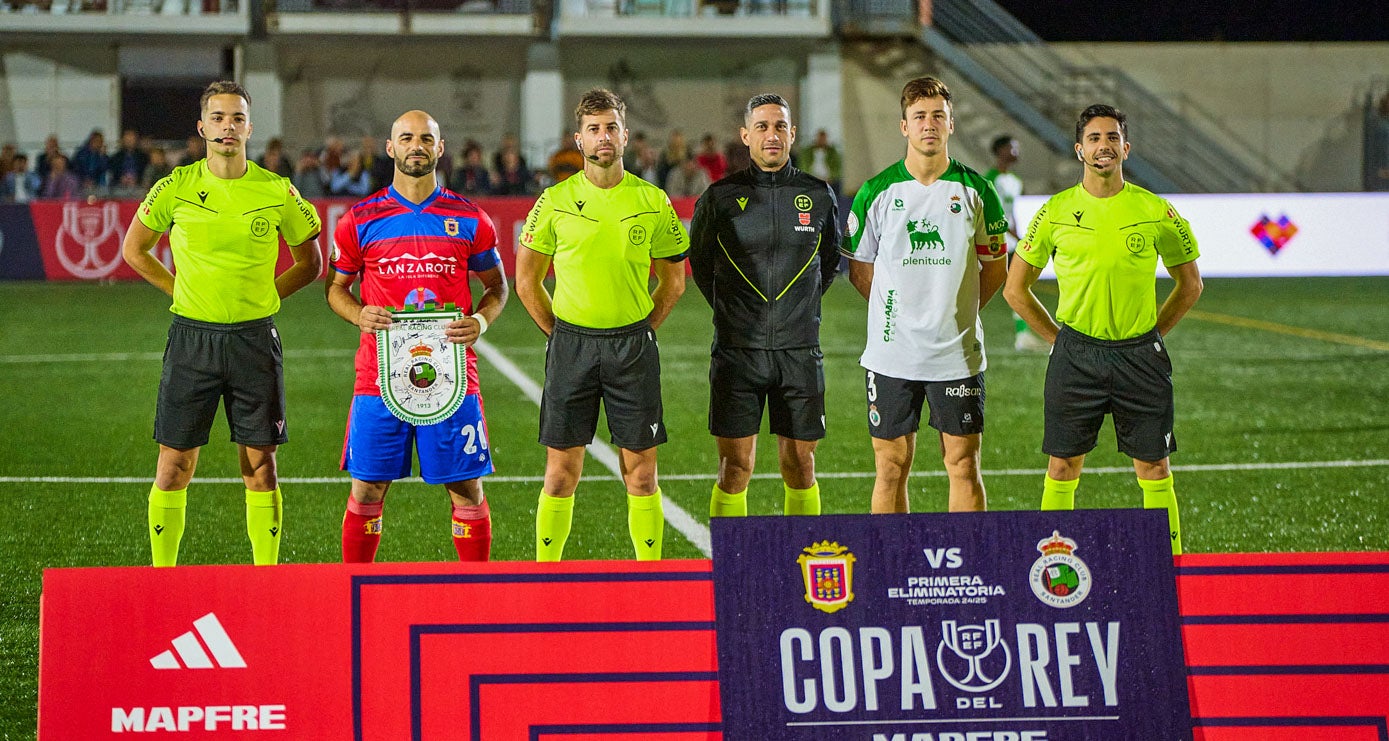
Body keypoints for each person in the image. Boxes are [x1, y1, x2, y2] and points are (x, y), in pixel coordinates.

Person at [120, 80, 323, 567]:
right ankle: (162, 577)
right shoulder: (175, 186)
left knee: (260, 467)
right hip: (192, 340)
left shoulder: (276, 191)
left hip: (254, 341)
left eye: (236, 118)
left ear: (249, 127)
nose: (227, 127)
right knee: (173, 466)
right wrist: (180, 291)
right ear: (202, 126)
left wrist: (268, 295)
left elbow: (311, 262)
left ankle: (266, 578)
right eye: (218, 118)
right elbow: (135, 251)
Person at [1003, 103, 1202, 556]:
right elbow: (1016, 290)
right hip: (1077, 355)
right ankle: (1049, 567)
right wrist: (1059, 340)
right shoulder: (1055, 212)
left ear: (1126, 148)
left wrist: (1154, 333)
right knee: (1062, 466)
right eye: (1094, 138)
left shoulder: (1155, 210)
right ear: (1079, 150)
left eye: (1112, 137)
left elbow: (1190, 284)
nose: (1103, 146)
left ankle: (1167, 565)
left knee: (1154, 467)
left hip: (1140, 356)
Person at [327, 109, 508, 563]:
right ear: (390, 149)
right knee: (368, 488)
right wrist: (358, 314)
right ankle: (358, 592)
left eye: (426, 138)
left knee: (466, 487)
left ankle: (474, 598)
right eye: (406, 138)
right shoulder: (361, 219)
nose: (416, 146)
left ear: (439, 148)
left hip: (453, 378)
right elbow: (335, 288)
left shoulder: (469, 218)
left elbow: (497, 287)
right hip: (378, 376)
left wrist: (481, 322)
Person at [515, 88, 688, 561]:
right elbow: (526, 279)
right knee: (560, 474)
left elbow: (674, 281)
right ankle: (546, 575)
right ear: (579, 138)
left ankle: (648, 575)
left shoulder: (652, 201)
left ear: (625, 135)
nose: (603, 137)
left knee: (642, 473)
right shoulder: (554, 201)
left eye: (611, 127)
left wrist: (644, 327)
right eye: (594, 129)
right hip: (573, 346)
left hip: (632, 346)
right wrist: (559, 333)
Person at [843, 76, 1009, 514]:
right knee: (891, 465)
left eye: (938, 116)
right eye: (919, 117)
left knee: (962, 462)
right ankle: (892, 568)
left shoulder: (978, 191)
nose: (929, 125)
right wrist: (893, 314)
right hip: (891, 354)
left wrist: (959, 313)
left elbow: (995, 268)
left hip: (956, 354)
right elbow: (860, 270)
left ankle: (968, 568)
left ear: (951, 123)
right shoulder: (876, 192)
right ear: (904, 126)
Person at [689, 93, 841, 518]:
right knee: (735, 468)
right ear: (745, 136)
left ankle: (806, 565)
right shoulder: (720, 197)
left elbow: (827, 264)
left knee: (801, 466)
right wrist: (735, 312)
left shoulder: (819, 195)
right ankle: (731, 569)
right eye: (762, 127)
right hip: (738, 354)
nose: (771, 135)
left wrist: (799, 307)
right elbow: (701, 265)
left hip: (799, 352)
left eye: (779, 127)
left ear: (792, 134)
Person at [984, 134, 1048, 352]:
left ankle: (1023, 336)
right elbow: (994, 214)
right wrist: (1018, 237)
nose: (1016, 151)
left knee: (1017, 286)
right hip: (991, 243)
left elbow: (1013, 214)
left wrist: (1021, 236)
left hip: (1009, 243)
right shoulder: (990, 180)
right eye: (1012, 147)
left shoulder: (1016, 182)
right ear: (1000, 150)